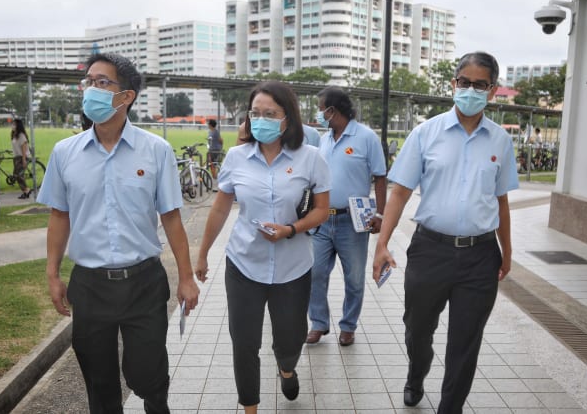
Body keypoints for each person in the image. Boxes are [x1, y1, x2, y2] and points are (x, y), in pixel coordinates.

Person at [37, 52, 200, 414]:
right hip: (90, 285)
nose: (91, 89)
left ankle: (156, 401)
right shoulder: (66, 153)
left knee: (146, 373)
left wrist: (187, 277)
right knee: (99, 382)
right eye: (89, 82)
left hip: (143, 282)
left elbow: (171, 219)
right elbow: (58, 216)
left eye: (102, 82)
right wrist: (52, 275)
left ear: (126, 96)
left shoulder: (155, 151)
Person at [373, 51, 518, 410]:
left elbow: (501, 202)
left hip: (480, 256)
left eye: (479, 85)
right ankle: (416, 372)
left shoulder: (500, 141)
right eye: (464, 82)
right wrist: (382, 243)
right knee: (417, 330)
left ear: (492, 90)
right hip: (430, 250)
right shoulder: (426, 133)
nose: (470, 90)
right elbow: (401, 192)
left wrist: (508, 251)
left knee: (465, 342)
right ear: (454, 85)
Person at [194, 81, 330, 414]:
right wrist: (202, 253)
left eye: (270, 113)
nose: (261, 120)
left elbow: (321, 210)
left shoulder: (310, 158)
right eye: (255, 113)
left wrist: (290, 229)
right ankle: (250, 408)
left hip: (293, 267)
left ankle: (286, 367)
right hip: (243, 264)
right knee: (244, 343)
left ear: (288, 118)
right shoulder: (237, 157)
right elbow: (221, 207)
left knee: (290, 338)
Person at [306, 87, 386, 347]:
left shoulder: (366, 137)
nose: (319, 113)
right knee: (315, 272)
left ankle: (348, 326)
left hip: (353, 221)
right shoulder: (324, 139)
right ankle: (318, 323)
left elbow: (381, 177)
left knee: (353, 277)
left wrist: (380, 214)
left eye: (321, 108)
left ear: (333, 110)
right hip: (321, 219)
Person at [10, 119, 32, 199]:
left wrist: (23, 159)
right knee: (17, 175)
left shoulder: (21, 135)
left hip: (21, 157)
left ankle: (26, 190)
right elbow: (16, 146)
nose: (13, 126)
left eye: (14, 124)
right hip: (16, 157)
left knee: (19, 175)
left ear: (18, 126)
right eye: (12, 124)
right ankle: (25, 191)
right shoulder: (14, 134)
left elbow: (24, 147)